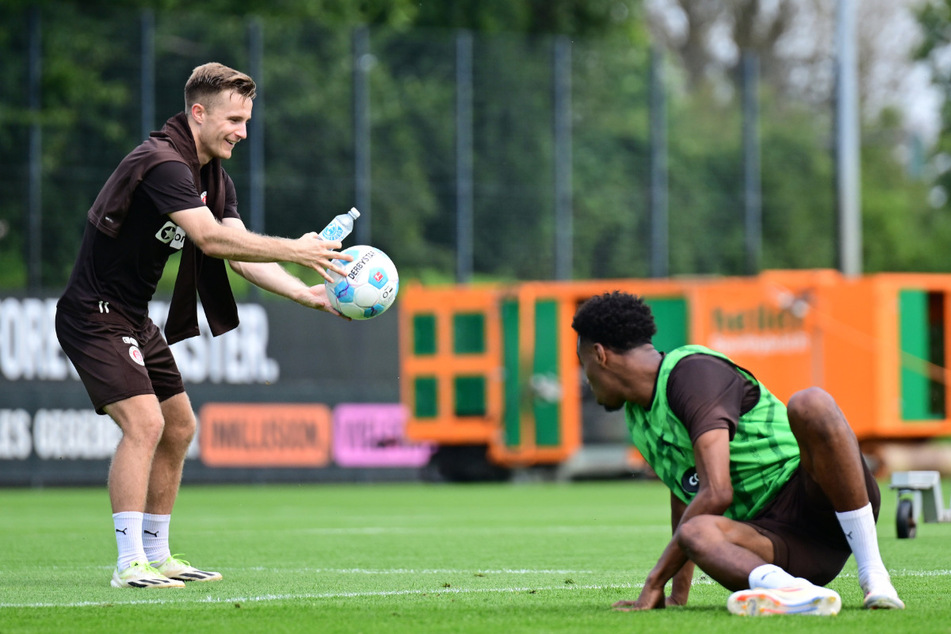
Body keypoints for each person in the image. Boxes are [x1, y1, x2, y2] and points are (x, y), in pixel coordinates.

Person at [55, 62, 352, 589]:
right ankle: (129, 565)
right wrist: (298, 248)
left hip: (131, 315)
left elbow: (241, 255)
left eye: (246, 121)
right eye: (233, 119)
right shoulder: (165, 164)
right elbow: (212, 241)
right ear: (198, 113)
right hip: (93, 313)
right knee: (144, 424)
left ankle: (157, 553)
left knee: (180, 426)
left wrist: (302, 292)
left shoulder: (212, 174)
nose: (241, 131)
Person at [571, 291, 905, 616]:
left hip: (820, 498)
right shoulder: (639, 416)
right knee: (693, 533)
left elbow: (716, 492)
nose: (587, 379)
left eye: (584, 364)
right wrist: (677, 595)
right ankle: (794, 592)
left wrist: (653, 582)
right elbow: (685, 493)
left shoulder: (692, 373)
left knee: (811, 403)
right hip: (776, 543)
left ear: (600, 354)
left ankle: (874, 576)